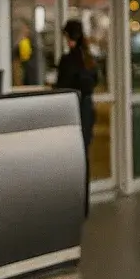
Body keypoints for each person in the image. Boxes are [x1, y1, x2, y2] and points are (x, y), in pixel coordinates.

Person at [55, 19, 98, 216]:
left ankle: (72, 202)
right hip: (87, 111)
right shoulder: (89, 58)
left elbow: (61, 86)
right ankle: (84, 204)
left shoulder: (68, 60)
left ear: (68, 37)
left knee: (71, 158)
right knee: (84, 157)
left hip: (73, 111)